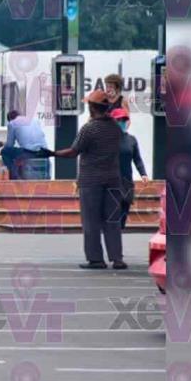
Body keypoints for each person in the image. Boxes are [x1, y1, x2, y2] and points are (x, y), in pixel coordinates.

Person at [46, 90, 125, 270]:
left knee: (91, 221)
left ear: (92, 107)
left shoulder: (89, 128)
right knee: (112, 220)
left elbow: (74, 151)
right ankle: (117, 259)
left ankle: (96, 259)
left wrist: (53, 153)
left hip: (91, 181)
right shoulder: (115, 128)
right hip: (113, 179)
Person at [110, 108, 149, 229]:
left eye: (124, 119)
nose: (121, 122)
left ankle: (118, 230)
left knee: (124, 207)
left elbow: (137, 159)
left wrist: (143, 173)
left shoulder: (131, 140)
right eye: (118, 120)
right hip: (110, 180)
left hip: (126, 181)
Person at [0, 110, 50, 179]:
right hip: (44, 152)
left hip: (30, 153)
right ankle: (47, 177)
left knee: (5, 151)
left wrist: (3, 147)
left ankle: (14, 177)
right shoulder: (34, 120)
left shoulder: (12, 124)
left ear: (10, 120)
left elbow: (10, 145)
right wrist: (4, 143)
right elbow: (30, 139)